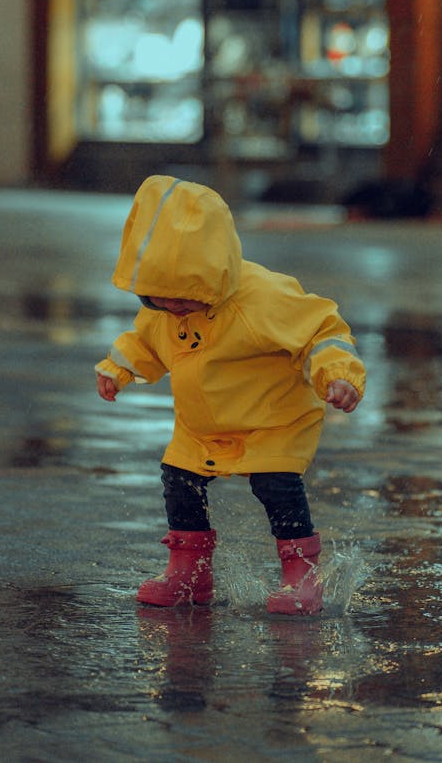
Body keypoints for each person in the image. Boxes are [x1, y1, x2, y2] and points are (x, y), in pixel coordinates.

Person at [95, 174, 365, 614]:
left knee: (277, 487)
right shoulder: (165, 310)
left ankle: (301, 577)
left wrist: (338, 374)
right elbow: (145, 341)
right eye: (157, 300)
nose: (172, 309)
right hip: (200, 427)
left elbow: (321, 330)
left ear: (210, 276)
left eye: (183, 299)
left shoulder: (263, 298)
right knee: (179, 481)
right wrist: (118, 368)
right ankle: (189, 574)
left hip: (270, 422)